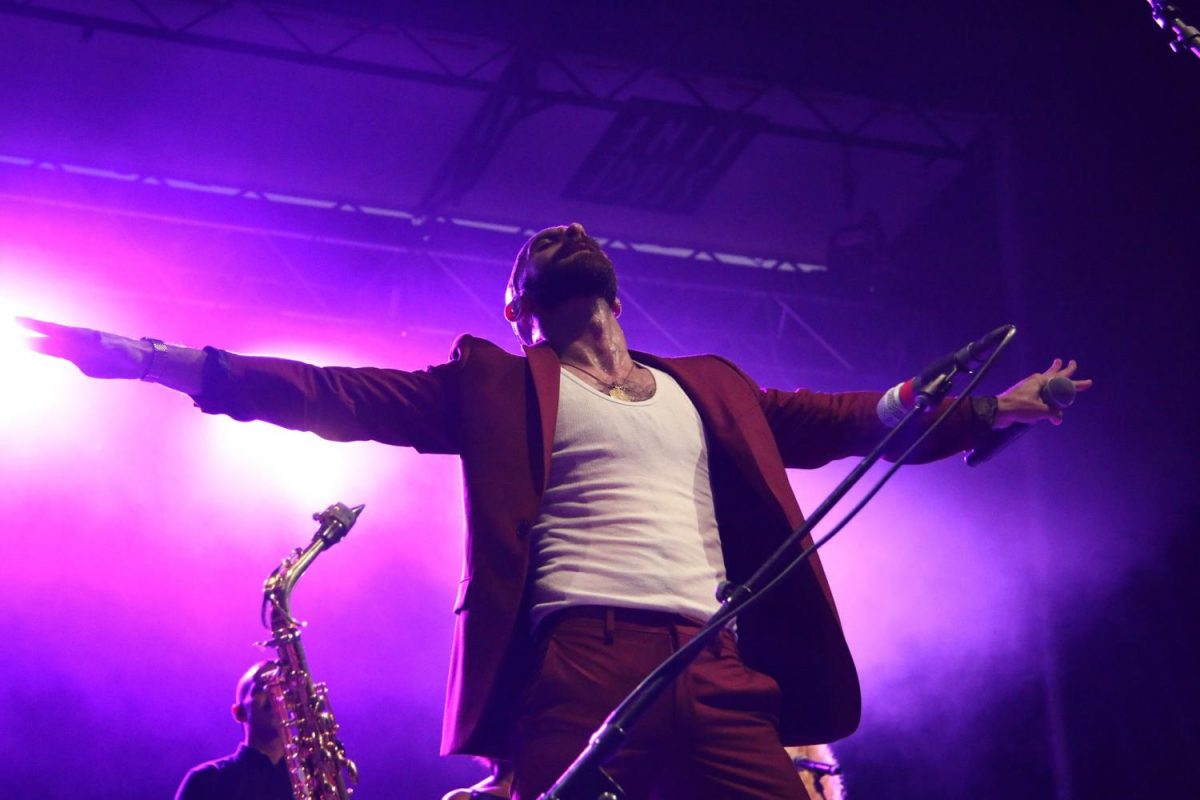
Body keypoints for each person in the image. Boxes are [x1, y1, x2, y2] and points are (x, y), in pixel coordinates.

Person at [20, 222, 1090, 799]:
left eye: (573, 237)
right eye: (532, 249)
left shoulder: (711, 385)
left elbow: (867, 416)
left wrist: (992, 405)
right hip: (574, 668)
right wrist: (154, 359)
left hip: (714, 664)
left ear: (619, 289)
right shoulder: (492, 385)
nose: (559, 234)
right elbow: (332, 391)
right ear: (520, 308)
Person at [174, 661, 291, 800]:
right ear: (239, 713)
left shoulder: (315, 773)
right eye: (262, 688)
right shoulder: (205, 780)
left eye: (283, 687)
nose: (275, 694)